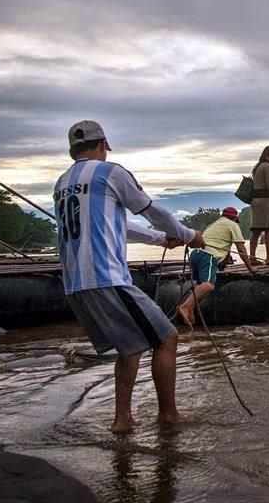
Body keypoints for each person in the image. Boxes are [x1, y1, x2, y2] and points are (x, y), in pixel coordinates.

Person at [53, 120, 205, 434]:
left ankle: (122, 420)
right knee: (167, 338)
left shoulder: (62, 183)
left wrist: (162, 240)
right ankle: (168, 416)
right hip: (106, 278)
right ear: (102, 145)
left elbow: (121, 225)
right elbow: (151, 211)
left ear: (73, 151)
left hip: (75, 283)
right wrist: (190, 235)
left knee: (130, 345)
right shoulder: (111, 173)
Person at [177, 206, 256, 329]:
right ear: (234, 218)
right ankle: (185, 306)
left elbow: (224, 246)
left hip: (195, 255)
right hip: (208, 256)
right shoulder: (232, 225)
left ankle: (191, 311)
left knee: (201, 286)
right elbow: (241, 249)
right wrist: (251, 269)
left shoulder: (214, 225)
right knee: (208, 286)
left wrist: (222, 262)